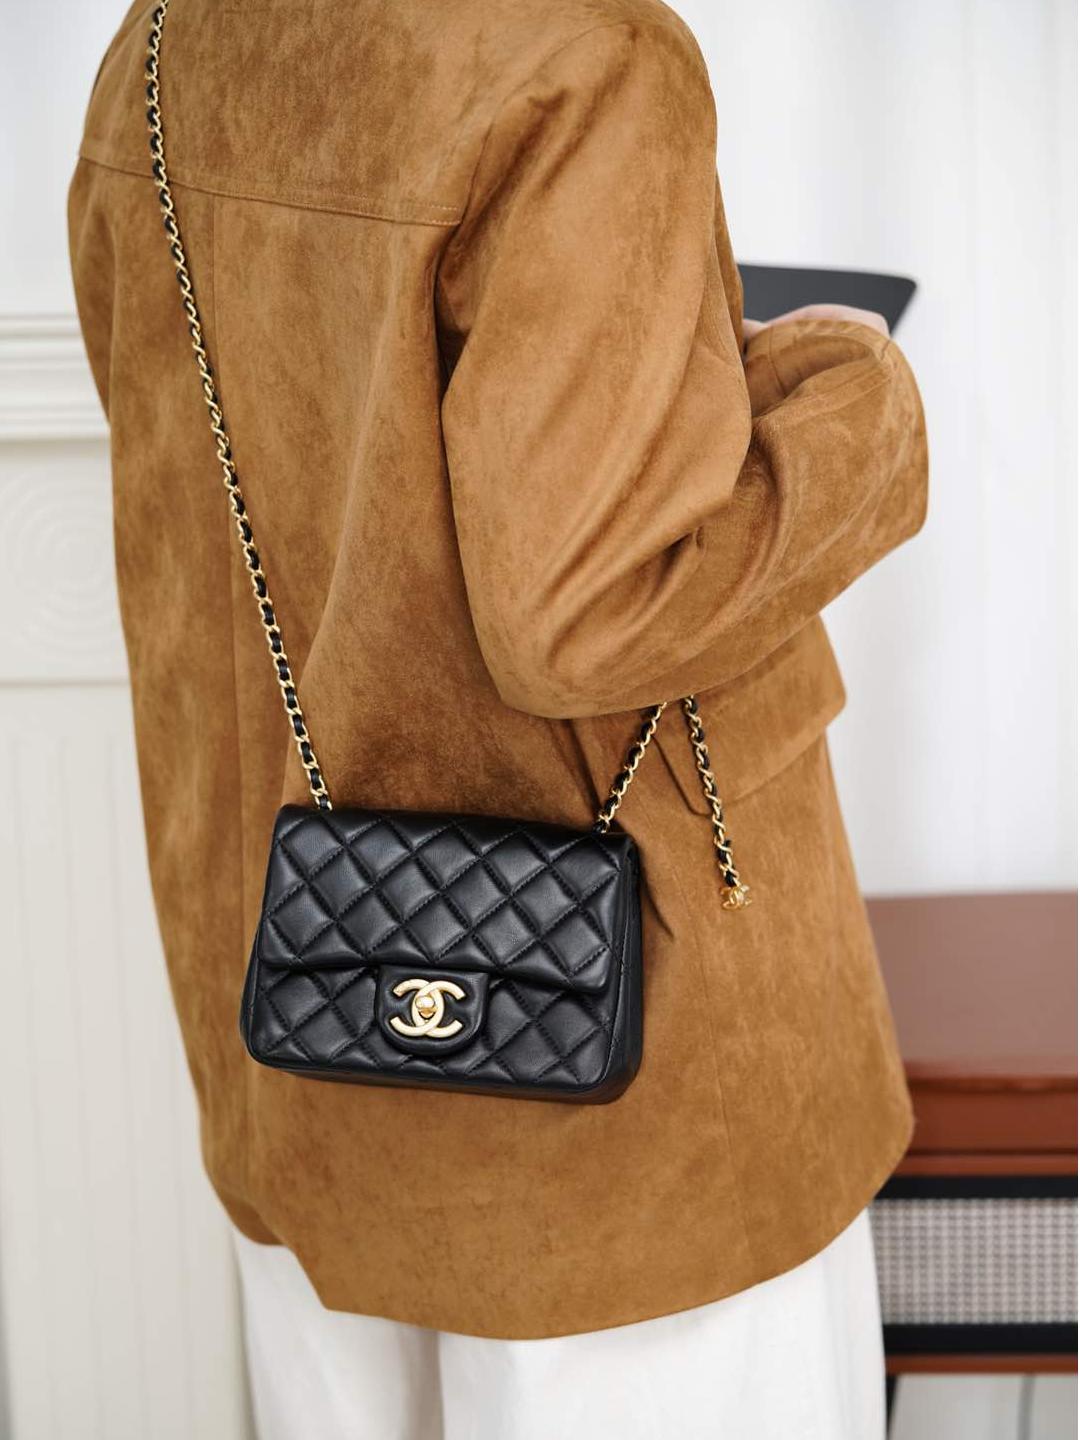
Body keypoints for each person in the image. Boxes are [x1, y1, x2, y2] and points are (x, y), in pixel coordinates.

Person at [69, 0, 927, 1435]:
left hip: (301, 1011)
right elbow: (589, 608)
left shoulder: (163, 48)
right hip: (628, 1100)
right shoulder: (583, 58)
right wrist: (862, 404)